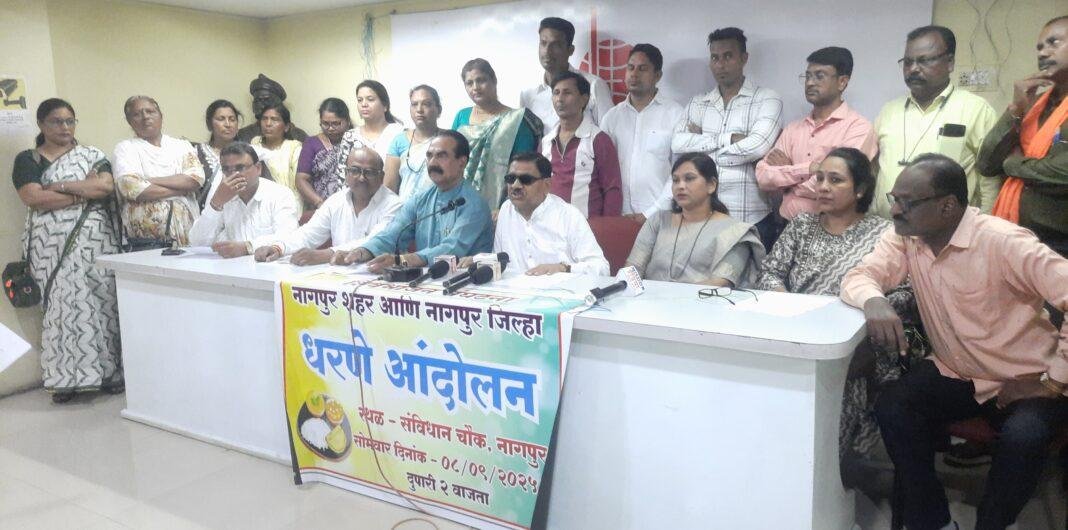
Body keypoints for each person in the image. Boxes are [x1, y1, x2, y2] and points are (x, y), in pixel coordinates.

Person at [841, 153, 1068, 530]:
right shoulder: (907, 237)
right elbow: (861, 275)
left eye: (906, 202)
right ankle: (933, 520)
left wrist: (1054, 382)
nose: (894, 210)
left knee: (1024, 437)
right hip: (957, 371)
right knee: (893, 407)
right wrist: (874, 300)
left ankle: (993, 524)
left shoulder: (1003, 241)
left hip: (1027, 376)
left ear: (947, 206)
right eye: (894, 199)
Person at [757, 148, 922, 485]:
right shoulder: (802, 225)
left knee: (833, 404)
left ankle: (824, 479)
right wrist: (788, 306)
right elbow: (770, 272)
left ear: (860, 189)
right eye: (820, 178)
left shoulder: (885, 234)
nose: (823, 187)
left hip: (856, 346)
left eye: (835, 180)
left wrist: (868, 315)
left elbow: (906, 293)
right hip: (793, 334)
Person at [11, 98, 122, 403]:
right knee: (60, 309)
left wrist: (57, 187)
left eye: (70, 121)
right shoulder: (28, 159)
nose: (64, 127)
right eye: (56, 121)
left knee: (102, 303)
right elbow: (34, 198)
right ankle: (64, 379)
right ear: (41, 124)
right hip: (49, 248)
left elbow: (104, 187)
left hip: (95, 242)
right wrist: (81, 191)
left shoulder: (92, 155)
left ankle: (110, 373)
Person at [672, 27, 783, 249]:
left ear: (744, 58)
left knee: (754, 274)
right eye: (715, 58)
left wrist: (702, 150)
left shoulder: (767, 99)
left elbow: (757, 147)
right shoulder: (698, 102)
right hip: (704, 218)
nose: (720, 64)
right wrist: (730, 138)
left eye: (728, 56)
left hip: (751, 219)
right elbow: (677, 144)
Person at [872, 25, 999, 218]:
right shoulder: (889, 111)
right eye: (908, 62)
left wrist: (985, 226)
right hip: (887, 227)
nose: (913, 69)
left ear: (950, 63)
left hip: (947, 231)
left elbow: (990, 179)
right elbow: (874, 170)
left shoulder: (976, 110)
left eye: (924, 61)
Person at [333, 130, 493, 273]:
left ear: (462, 162)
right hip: (426, 281)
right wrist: (363, 251)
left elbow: (452, 248)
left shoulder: (473, 204)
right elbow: (393, 233)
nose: (433, 162)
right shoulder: (421, 198)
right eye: (429, 156)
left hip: (468, 282)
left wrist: (403, 260)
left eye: (441, 156)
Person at [978, 15, 1068, 257]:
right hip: (1013, 236)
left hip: (1059, 247)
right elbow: (986, 164)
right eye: (1039, 47)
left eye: (1053, 42)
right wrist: (1016, 110)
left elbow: (1062, 173)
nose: (1043, 52)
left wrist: (1013, 164)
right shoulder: (1032, 104)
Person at [755, 47, 877, 221]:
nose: (810, 83)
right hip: (785, 226)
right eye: (808, 76)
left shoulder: (858, 128)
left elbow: (839, 187)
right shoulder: (793, 129)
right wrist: (808, 170)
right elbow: (763, 177)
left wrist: (787, 183)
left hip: (832, 228)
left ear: (842, 82)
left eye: (819, 76)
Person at [625, 153, 764, 286]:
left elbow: (720, 283)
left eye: (689, 178)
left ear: (711, 185)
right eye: (675, 180)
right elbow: (632, 269)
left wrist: (672, 298)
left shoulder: (735, 232)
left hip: (703, 301)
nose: (680, 186)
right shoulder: (658, 221)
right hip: (648, 300)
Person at [255, 147, 401, 266]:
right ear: (346, 173)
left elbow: (375, 242)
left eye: (369, 172)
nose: (361, 178)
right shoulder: (336, 201)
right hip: (337, 277)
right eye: (355, 171)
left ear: (381, 176)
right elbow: (308, 234)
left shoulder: (394, 205)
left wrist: (326, 254)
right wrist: (278, 248)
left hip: (380, 278)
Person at [600, 44, 685, 223]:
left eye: (642, 69)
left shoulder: (675, 114)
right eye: (630, 67)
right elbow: (603, 171)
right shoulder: (612, 117)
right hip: (618, 217)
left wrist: (651, 213)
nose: (634, 74)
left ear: (657, 75)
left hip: (661, 216)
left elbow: (681, 171)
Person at [491, 152, 609, 276]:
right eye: (510, 179)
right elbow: (498, 262)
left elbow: (601, 268)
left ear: (546, 185)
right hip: (512, 287)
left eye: (526, 180)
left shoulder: (569, 216)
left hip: (561, 287)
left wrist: (562, 268)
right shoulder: (506, 210)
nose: (516, 185)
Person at [114, 95, 204, 247]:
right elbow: (130, 187)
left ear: (161, 116)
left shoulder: (181, 146)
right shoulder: (125, 148)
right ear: (129, 121)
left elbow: (195, 179)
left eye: (150, 111)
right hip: (145, 241)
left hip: (186, 232)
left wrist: (149, 181)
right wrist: (181, 189)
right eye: (137, 114)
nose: (145, 117)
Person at [453, 59, 543, 208]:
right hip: (460, 201)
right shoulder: (461, 116)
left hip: (503, 204)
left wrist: (506, 205)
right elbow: (451, 158)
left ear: (494, 80)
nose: (475, 87)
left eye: (481, 80)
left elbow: (523, 168)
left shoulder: (517, 120)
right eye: (469, 83)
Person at [188, 142, 299, 257]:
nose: (233, 174)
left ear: (258, 168)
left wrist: (247, 247)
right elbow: (197, 243)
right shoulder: (223, 195)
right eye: (226, 169)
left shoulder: (280, 194)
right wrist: (216, 204)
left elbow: (288, 237)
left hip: (270, 264)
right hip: (231, 266)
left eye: (240, 168)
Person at [539, 71, 623, 218]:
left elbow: (612, 190)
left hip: (588, 228)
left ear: (584, 99)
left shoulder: (598, 140)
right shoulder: (546, 142)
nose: (560, 99)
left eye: (567, 93)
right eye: (556, 93)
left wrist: (606, 227)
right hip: (550, 226)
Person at [520, 16, 613, 129]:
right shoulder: (527, 95)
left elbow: (608, 134)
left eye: (556, 45)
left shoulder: (593, 85)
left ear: (570, 50)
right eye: (543, 43)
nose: (547, 51)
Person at [334, 80, 406, 183]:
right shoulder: (350, 136)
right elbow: (342, 176)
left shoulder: (399, 133)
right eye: (360, 100)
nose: (364, 104)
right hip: (357, 192)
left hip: (392, 191)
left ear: (385, 106)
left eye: (370, 99)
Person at [386, 85, 441, 202]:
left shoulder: (448, 140)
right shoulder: (399, 141)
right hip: (405, 209)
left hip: (441, 208)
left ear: (438, 110)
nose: (419, 109)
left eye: (426, 104)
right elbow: (389, 188)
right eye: (414, 104)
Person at [295, 98, 352, 210]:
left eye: (336, 123)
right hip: (321, 208)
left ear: (347, 121)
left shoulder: (356, 141)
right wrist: (320, 204)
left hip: (353, 206)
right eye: (325, 124)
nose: (330, 128)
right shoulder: (311, 143)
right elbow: (301, 179)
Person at [251, 103, 302, 204]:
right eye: (264, 119)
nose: (268, 123)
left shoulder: (294, 149)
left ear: (286, 127)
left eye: (274, 119)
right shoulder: (255, 144)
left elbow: (297, 188)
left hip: (286, 202)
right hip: (257, 203)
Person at [194, 99, 241, 209]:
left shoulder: (249, 154)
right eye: (221, 119)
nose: (228, 124)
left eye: (232, 119)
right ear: (209, 124)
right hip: (207, 215)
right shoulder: (196, 153)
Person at [236, 73, 308, 142]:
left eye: (266, 100)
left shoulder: (298, 135)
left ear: (279, 104)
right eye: (257, 100)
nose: (261, 105)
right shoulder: (243, 134)